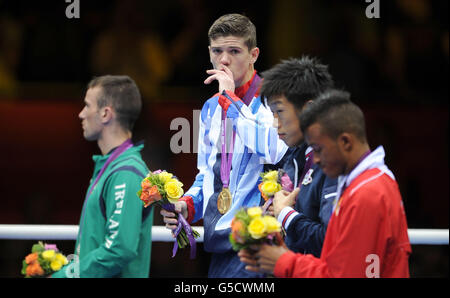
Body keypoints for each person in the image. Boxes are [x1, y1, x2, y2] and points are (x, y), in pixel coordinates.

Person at [161, 13, 288, 277]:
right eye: (217, 51)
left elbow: (273, 149)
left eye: (234, 51)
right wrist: (188, 204)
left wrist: (230, 101)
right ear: (209, 53)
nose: (224, 60)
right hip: (219, 244)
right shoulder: (210, 108)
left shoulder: (275, 98)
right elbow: (207, 175)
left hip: (259, 243)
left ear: (253, 54)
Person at [239, 90, 411, 277]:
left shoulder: (368, 193)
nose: (317, 160)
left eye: (319, 149)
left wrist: (283, 261)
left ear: (345, 141)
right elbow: (340, 261)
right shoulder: (372, 182)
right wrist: (282, 253)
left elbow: (343, 275)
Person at [52, 75, 153, 278]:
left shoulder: (125, 172)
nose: (81, 114)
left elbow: (119, 249)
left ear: (106, 114)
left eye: (87, 106)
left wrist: (64, 276)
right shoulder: (112, 166)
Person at [259, 57, 337, 257]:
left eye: (280, 112)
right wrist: (274, 214)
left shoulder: (335, 163)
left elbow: (331, 241)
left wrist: (286, 215)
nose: (275, 123)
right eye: (272, 114)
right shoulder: (294, 157)